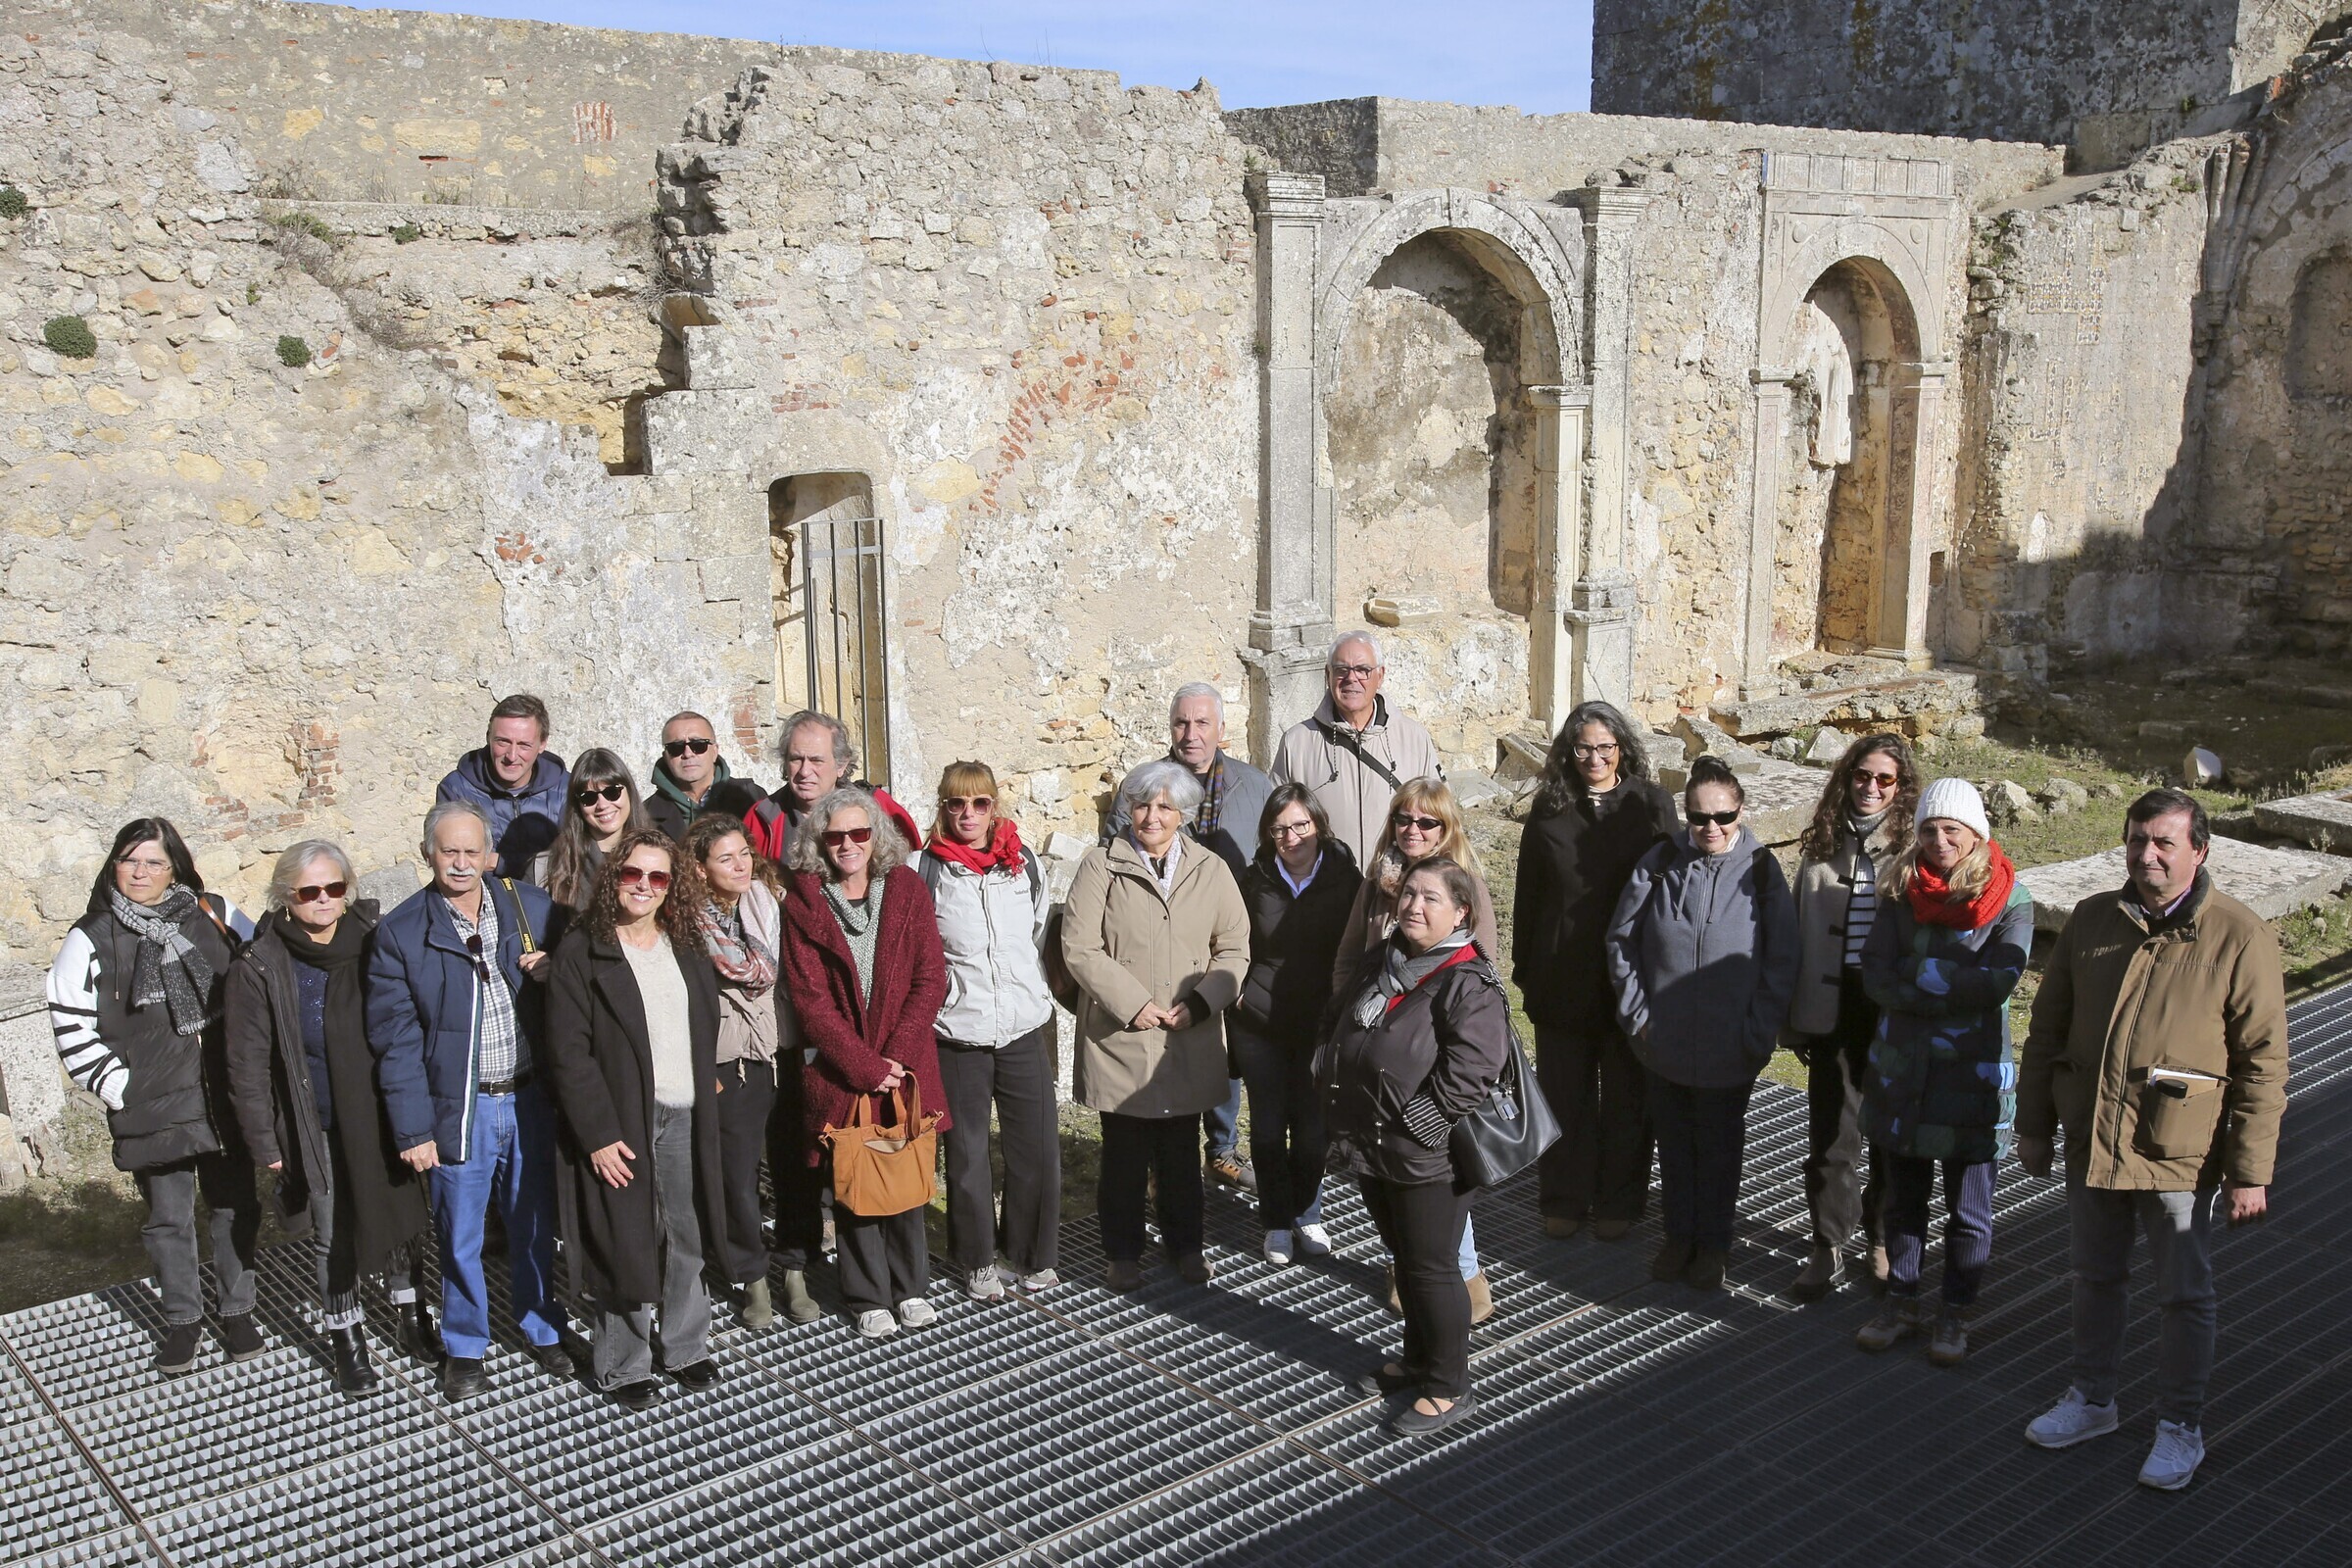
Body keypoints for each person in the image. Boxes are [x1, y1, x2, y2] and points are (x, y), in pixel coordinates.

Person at [2017, 789, 2287, 1492]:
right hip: (2094, 1138)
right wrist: (2034, 1124)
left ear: (2199, 849)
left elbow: (2263, 1062)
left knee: (2183, 1294)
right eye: (2139, 840)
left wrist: (2251, 1170)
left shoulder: (2238, 936)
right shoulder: (2091, 921)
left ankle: (2180, 1426)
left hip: (2179, 1150)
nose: (2148, 855)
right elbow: (2047, 1031)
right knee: (2094, 1276)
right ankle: (2093, 1399)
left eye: (2165, 842)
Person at [368, 800, 571, 1401]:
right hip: (462, 1107)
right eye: (447, 852)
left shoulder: (529, 909)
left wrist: (552, 970)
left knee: (534, 1224)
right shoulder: (401, 934)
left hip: (530, 1097)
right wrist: (413, 1129)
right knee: (460, 1233)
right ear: (427, 855)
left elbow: (585, 981)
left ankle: (541, 1325)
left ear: (490, 856)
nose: (460, 863)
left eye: (470, 852)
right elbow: (395, 1043)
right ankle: (464, 1345)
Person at [47, 818, 260, 1375]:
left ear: (176, 868)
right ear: (114, 864)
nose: (140, 873)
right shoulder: (91, 936)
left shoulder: (214, 914)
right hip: (151, 1102)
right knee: (168, 1218)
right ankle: (183, 1321)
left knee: (235, 1204)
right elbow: (70, 1024)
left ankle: (238, 1309)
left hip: (221, 1093)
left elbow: (263, 972)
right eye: (129, 860)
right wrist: (121, 1087)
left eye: (154, 862)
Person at [224, 841, 436, 1395]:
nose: (323, 900)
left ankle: (412, 1318)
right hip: (310, 1118)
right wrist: (263, 1140)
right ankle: (347, 1337)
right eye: (309, 892)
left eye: (335, 888)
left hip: (381, 1109)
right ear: (285, 896)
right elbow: (245, 1062)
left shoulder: (376, 939)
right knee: (332, 1227)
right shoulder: (262, 964)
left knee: (399, 1216)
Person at [1321, 858, 1509, 1437]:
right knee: (1406, 1260)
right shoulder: (1390, 961)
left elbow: (1474, 1069)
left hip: (1427, 1153)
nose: (1414, 907)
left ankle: (1449, 1386)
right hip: (1376, 1141)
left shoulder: (1466, 979)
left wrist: (1418, 1127)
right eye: (1408, 895)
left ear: (1461, 912)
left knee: (1432, 1269)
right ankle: (1419, 1361)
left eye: (1430, 898)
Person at [544, 829, 725, 1409]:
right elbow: (568, 1054)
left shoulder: (686, 945)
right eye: (633, 874)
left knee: (685, 1232)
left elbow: (702, 1017)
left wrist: (704, 1073)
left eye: (658, 877)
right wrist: (597, 1134)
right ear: (614, 877)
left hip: (685, 1109)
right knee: (624, 1237)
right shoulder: (583, 951)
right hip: (621, 1118)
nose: (643, 887)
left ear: (672, 888)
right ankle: (623, 1365)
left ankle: (685, 1346)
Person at [1853, 778, 2033, 1364]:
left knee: (1969, 1208)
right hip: (1904, 1074)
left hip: (1971, 1079)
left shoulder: (2011, 900)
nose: (1938, 841)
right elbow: (1875, 973)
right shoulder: (1900, 891)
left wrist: (1920, 978)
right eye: (1929, 829)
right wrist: (1939, 983)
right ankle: (1901, 1300)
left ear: (1976, 834)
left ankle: (1955, 1312)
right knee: (1904, 1200)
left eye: (1951, 829)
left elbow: (1998, 982)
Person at [1606, 756, 1797, 1292]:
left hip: (1729, 1046)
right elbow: (1621, 940)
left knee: (1718, 1149)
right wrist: (1638, 1016)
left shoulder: (1761, 871)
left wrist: (1757, 1032)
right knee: (1674, 1144)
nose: (1711, 828)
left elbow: (1782, 959)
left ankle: (1713, 1244)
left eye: (1723, 817)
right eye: (1699, 817)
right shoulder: (1661, 861)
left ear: (1741, 812)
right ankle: (1677, 1237)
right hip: (1663, 1043)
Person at [1061, 760, 1250, 1292]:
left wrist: (1204, 1001)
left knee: (1181, 1152)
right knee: (1123, 1152)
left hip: (1187, 1034)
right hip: (1124, 1036)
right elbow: (1079, 946)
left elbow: (1234, 948)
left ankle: (1187, 1245)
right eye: (1143, 804)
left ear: (1184, 814)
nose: (1153, 816)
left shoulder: (1211, 870)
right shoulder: (1102, 866)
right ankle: (1122, 1252)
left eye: (1166, 807)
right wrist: (1133, 1002)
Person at [778, 786, 951, 1338]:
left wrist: (894, 1057)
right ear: (818, 843)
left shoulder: (905, 889)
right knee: (855, 1179)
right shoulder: (804, 901)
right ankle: (866, 1293)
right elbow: (810, 1000)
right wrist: (864, 1066)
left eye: (859, 833)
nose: (848, 845)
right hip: (844, 1068)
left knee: (903, 1170)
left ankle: (912, 1286)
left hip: (906, 1063)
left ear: (876, 837)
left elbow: (931, 978)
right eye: (835, 837)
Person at [1330, 775, 1498, 1319]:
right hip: (1378, 1049)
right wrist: (1346, 1014)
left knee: (1437, 1173)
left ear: (1445, 828)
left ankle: (1462, 1275)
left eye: (1427, 821)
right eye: (1403, 819)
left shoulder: (1461, 885)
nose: (1413, 829)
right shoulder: (1376, 881)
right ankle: (1402, 1265)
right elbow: (1351, 952)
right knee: (1384, 1169)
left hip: (1429, 1054)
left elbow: (1480, 970)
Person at [1512, 702, 1679, 1245]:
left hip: (1631, 976)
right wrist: (1524, 967)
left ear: (1623, 750)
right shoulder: (1550, 807)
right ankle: (1564, 1196)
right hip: (1563, 974)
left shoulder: (1653, 808)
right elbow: (1529, 892)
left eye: (1605, 747)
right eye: (1583, 748)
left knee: (1629, 1097)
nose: (1595, 758)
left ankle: (1620, 1200)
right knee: (1566, 1095)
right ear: (1569, 751)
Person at [1103, 682, 1275, 1193]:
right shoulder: (1144, 786)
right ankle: (1163, 1163)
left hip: (1225, 940)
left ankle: (1220, 1149)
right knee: (1166, 1053)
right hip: (1159, 945)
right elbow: (1114, 856)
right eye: (1182, 723)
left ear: (1222, 729)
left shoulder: (1254, 786)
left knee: (1225, 1051)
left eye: (1202, 723)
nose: (1191, 733)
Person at [919, 760, 1061, 1301]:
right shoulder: (924, 869)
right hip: (959, 1031)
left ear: (993, 805)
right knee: (968, 1152)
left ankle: (1032, 1253)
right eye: (956, 804)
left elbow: (1035, 928)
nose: (968, 815)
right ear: (943, 808)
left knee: (1037, 1148)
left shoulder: (1022, 863)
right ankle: (977, 1258)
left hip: (1023, 1024)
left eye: (979, 803)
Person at [1785, 732, 1918, 1301]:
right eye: (1862, 776)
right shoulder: (1820, 846)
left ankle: (1882, 1237)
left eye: (1884, 779)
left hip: (1890, 1008)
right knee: (1832, 1130)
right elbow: (1795, 934)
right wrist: (1794, 1020)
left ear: (1901, 787)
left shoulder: (1915, 848)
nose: (1870, 788)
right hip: (1832, 1006)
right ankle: (1826, 1241)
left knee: (1889, 1128)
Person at [679, 812, 811, 1329]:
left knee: (795, 1166)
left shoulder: (769, 900)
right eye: (724, 858)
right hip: (730, 1058)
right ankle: (752, 1274)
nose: (739, 866)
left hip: (783, 1046)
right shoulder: (687, 918)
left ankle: (796, 1267)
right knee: (737, 1175)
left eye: (743, 854)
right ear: (700, 867)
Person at [1234, 785, 1360, 1264]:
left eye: (1300, 825)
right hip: (1261, 1021)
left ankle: (1307, 1212)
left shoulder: (1345, 879)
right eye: (1280, 828)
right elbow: (1231, 939)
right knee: (1267, 1129)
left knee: (1312, 1131)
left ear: (1318, 825)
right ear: (1269, 833)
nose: (1291, 836)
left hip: (1319, 1023)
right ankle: (1275, 1223)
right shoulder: (1255, 880)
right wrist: (1238, 991)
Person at [1271, 632, 1445, 869]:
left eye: (1363, 669)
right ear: (1328, 675)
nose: (1351, 678)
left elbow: (1441, 818)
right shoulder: (1296, 742)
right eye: (1342, 669)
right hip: (1324, 890)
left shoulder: (1415, 738)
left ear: (1380, 675)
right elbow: (1277, 821)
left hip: (1395, 891)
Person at [744, 710, 922, 859]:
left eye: (816, 760)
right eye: (796, 759)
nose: (805, 771)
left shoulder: (879, 806)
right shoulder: (760, 817)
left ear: (841, 765)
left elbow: (914, 871)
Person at [436, 693, 568, 881]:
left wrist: (500, 863)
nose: (512, 756)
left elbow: (574, 863)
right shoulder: (456, 790)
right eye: (503, 742)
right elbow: (454, 863)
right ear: (488, 737)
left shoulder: (566, 789)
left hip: (550, 900)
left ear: (542, 744)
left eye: (524, 745)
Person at [531, 747, 652, 912]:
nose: (602, 805)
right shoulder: (546, 867)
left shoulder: (659, 859)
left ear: (629, 791)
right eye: (589, 797)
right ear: (577, 805)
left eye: (612, 792)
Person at [645, 710, 752, 842]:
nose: (688, 753)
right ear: (666, 756)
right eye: (676, 747)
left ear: (714, 751)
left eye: (698, 745)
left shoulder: (751, 798)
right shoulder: (646, 815)